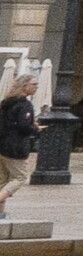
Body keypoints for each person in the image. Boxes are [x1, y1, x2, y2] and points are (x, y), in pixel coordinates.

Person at [0, 75, 36, 212]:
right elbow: (24, 126)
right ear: (24, 86)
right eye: (33, 84)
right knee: (19, 177)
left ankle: (0, 214)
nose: (36, 87)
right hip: (15, 148)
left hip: (2, 144)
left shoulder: (6, 103)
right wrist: (35, 129)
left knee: (2, 179)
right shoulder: (25, 105)